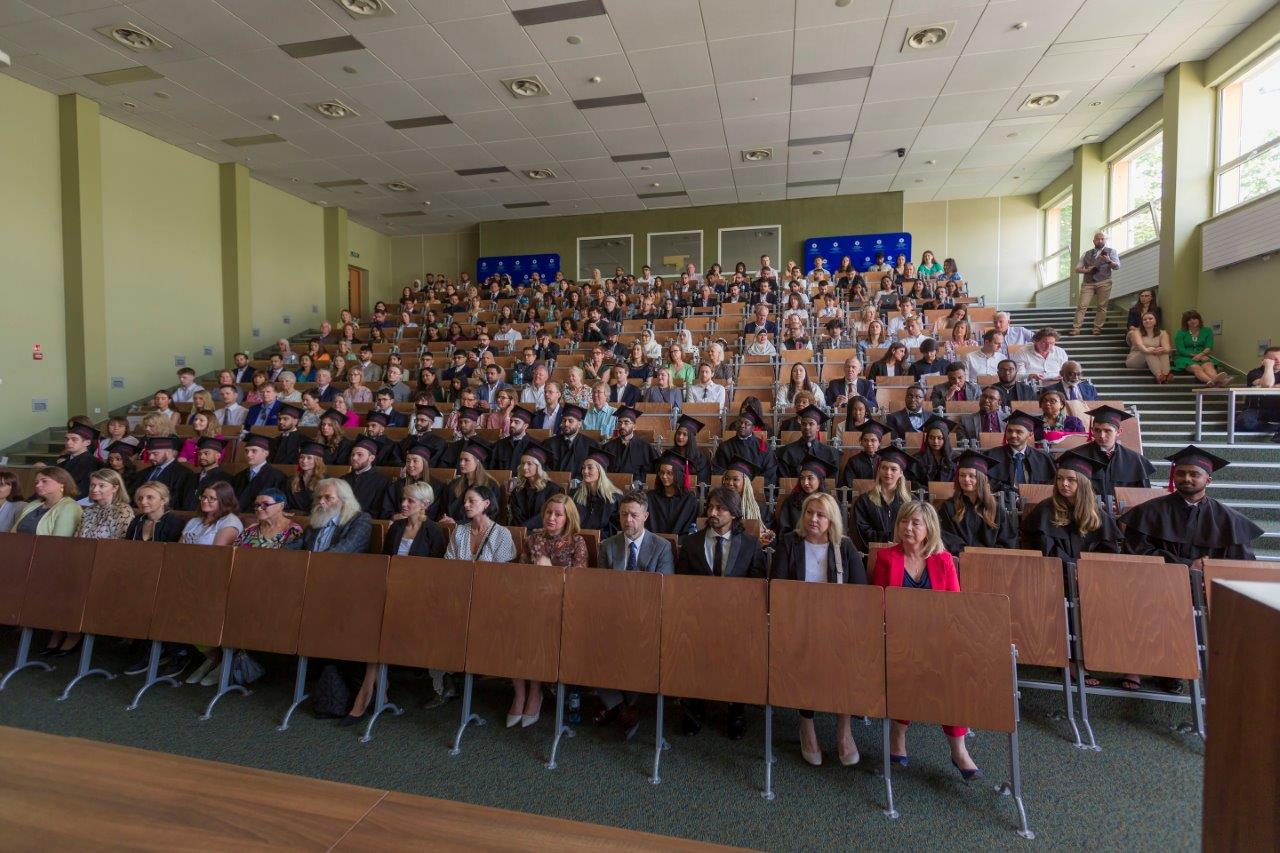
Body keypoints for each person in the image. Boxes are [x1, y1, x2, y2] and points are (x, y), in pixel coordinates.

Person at [871, 500, 982, 779]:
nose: (907, 527)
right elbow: (877, 604)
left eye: (915, 523)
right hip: (897, 637)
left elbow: (953, 608)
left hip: (937, 639)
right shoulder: (886, 558)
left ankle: (958, 749)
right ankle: (898, 735)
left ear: (928, 528)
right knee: (906, 664)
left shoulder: (943, 560)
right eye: (903, 521)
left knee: (952, 671)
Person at [769, 492, 868, 765]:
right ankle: (807, 726)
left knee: (847, 662)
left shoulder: (844, 547)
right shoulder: (790, 543)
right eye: (809, 513)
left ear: (831, 519)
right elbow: (777, 588)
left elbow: (861, 594)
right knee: (806, 660)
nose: (813, 519)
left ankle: (844, 730)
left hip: (839, 624)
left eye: (820, 515)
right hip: (799, 623)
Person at [674, 486, 764, 739]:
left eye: (720, 508)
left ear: (733, 513)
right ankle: (694, 707)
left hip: (736, 619)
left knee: (737, 661)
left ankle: (735, 710)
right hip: (698, 618)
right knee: (694, 658)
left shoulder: (750, 545)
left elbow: (757, 588)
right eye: (710, 507)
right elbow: (682, 585)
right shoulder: (691, 543)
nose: (712, 513)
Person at [1120, 445, 1262, 566]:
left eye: (1194, 474)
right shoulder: (1147, 512)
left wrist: (1208, 567)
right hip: (1160, 582)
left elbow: (1241, 564)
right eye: (1180, 474)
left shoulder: (1231, 520)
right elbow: (1135, 553)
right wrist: (1188, 564)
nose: (1186, 478)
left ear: (1208, 481)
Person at [1021, 450, 1121, 563]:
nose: (1064, 483)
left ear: (1083, 483)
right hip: (1055, 569)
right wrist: (1071, 566)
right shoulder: (1045, 509)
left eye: (1071, 479)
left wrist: (1084, 568)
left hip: (1090, 571)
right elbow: (1043, 549)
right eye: (1059, 478)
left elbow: (1108, 554)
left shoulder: (1098, 515)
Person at [937, 450, 1018, 556]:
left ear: (981, 479)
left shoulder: (996, 510)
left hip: (991, 561)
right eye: (962, 475)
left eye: (972, 476)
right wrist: (969, 555)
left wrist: (987, 557)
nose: (966, 479)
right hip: (961, 560)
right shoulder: (948, 508)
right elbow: (947, 538)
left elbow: (1007, 541)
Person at [850, 447, 914, 551]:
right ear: (879, 470)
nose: (888, 472)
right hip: (874, 552)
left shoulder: (911, 502)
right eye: (884, 468)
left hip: (905, 552)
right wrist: (891, 538)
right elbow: (863, 531)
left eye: (893, 469)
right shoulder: (864, 501)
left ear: (901, 473)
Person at [286, 478, 373, 553]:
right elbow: (296, 544)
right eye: (319, 497)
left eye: (328, 497)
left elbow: (345, 549)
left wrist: (315, 561)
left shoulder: (360, 519)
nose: (321, 501)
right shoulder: (318, 520)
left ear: (344, 500)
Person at [987, 412, 1055, 495]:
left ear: (1030, 434)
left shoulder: (1043, 458)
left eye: (1019, 432)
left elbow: (1050, 486)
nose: (1013, 435)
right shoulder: (991, 456)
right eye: (1009, 431)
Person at [444, 484, 517, 562]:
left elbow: (501, 568)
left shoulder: (502, 534)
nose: (466, 505)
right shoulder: (459, 531)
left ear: (486, 503)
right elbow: (448, 563)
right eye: (465, 501)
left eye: (471, 501)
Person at [435, 439, 498, 524]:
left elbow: (491, 514)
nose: (461, 463)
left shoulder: (490, 485)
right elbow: (443, 509)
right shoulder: (454, 484)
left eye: (466, 460)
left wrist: (457, 523)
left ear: (477, 462)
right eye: (460, 460)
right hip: (450, 527)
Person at [1072, 231, 1119, 336]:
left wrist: (1108, 260)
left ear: (1105, 240)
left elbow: (1117, 266)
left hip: (1104, 281)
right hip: (1088, 283)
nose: (1100, 241)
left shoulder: (1112, 251)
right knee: (1082, 305)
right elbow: (1077, 269)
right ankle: (1076, 329)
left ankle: (1097, 329)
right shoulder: (1086, 253)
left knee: (1102, 306)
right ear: (1094, 241)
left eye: (1102, 239)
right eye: (1098, 239)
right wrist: (1086, 270)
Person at [384, 480, 447, 558]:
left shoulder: (433, 530)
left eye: (410, 501)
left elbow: (437, 562)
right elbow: (385, 557)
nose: (403, 504)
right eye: (403, 499)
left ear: (425, 505)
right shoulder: (396, 526)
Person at [776, 404, 840, 479]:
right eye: (804, 424)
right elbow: (785, 482)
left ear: (818, 428)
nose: (807, 427)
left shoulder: (831, 453)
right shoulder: (786, 452)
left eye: (811, 424)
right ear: (800, 426)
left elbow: (832, 482)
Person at [506, 444, 561, 529]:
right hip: (520, 531)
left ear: (538, 466)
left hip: (544, 531)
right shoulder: (518, 489)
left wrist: (526, 528)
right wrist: (523, 531)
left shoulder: (553, 490)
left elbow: (546, 515)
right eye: (523, 463)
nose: (524, 467)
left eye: (529, 464)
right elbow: (516, 516)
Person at [231, 434, 289, 512]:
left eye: (254, 451)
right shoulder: (239, 476)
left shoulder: (277, 477)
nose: (248, 455)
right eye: (246, 451)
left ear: (266, 453)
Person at [135, 436, 195, 511]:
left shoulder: (185, 474)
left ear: (168, 453)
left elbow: (178, 501)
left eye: (155, 454)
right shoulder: (142, 473)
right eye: (149, 454)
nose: (150, 457)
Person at [1173, 310, 1229, 386]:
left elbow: (1209, 347)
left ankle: (1215, 382)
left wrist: (1201, 355)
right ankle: (1215, 382)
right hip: (1185, 357)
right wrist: (1196, 356)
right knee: (1196, 368)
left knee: (1208, 366)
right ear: (1186, 322)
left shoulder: (1207, 330)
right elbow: (1181, 349)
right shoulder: (1180, 332)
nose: (1192, 321)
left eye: (1194, 318)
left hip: (1202, 356)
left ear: (1199, 319)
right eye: (1189, 320)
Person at [234, 488, 303, 549]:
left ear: (281, 506)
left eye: (265, 504)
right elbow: (233, 552)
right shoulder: (250, 530)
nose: (259, 508)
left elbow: (290, 557)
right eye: (257, 505)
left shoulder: (294, 531)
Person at [573, 451, 621, 537]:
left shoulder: (614, 498)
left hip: (603, 541)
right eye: (583, 468)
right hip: (577, 538)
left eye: (590, 468)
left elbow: (615, 528)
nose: (585, 471)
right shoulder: (575, 494)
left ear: (600, 471)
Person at [838, 420, 890, 491]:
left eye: (873, 440)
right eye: (865, 440)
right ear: (861, 442)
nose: (869, 443)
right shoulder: (853, 461)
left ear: (879, 442)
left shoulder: (885, 461)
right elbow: (848, 486)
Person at [546, 403, 598, 474]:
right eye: (564, 420)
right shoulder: (549, 443)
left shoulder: (591, 445)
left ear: (579, 424)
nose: (566, 424)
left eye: (570, 421)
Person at [55, 422, 102, 497]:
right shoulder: (63, 462)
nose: (68, 442)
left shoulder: (93, 463)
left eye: (74, 439)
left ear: (87, 443)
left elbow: (84, 490)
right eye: (67, 439)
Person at [1126, 311, 1173, 383]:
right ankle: (1159, 375)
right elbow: (1140, 346)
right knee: (1149, 350)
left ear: (1155, 321)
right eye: (1144, 319)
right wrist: (1149, 350)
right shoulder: (1136, 332)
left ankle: (1165, 375)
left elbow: (1167, 348)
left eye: (1150, 318)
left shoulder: (1163, 333)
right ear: (1142, 322)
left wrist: (1162, 350)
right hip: (1135, 360)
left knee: (1163, 351)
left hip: (1152, 361)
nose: (1147, 321)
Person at [912, 415, 958, 487]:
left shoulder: (956, 458)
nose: (935, 441)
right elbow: (913, 482)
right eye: (931, 438)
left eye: (939, 438)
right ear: (927, 439)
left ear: (945, 439)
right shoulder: (917, 459)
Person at [668, 414, 712, 487]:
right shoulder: (669, 454)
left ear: (691, 437)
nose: (680, 437)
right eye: (678, 433)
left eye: (685, 434)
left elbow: (702, 483)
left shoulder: (701, 459)